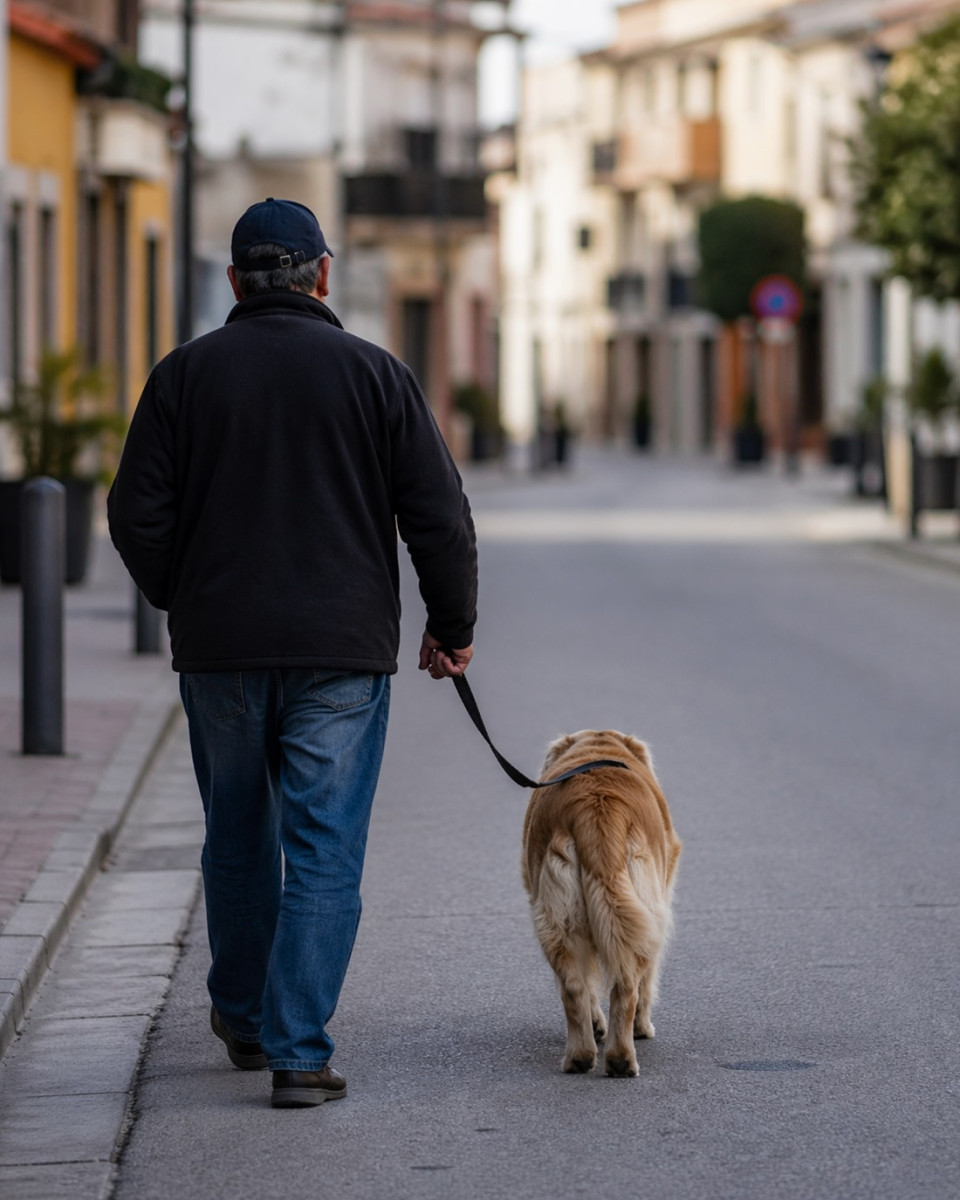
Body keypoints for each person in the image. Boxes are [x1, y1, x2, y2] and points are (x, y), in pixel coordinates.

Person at [108, 198, 477, 1108]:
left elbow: (133, 516)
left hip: (221, 650)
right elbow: (439, 514)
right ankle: (298, 1052)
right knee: (324, 846)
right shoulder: (376, 375)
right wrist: (452, 626)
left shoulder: (183, 377)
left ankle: (240, 1013)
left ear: (235, 282)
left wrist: (184, 596)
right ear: (322, 274)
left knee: (236, 835)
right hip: (342, 654)